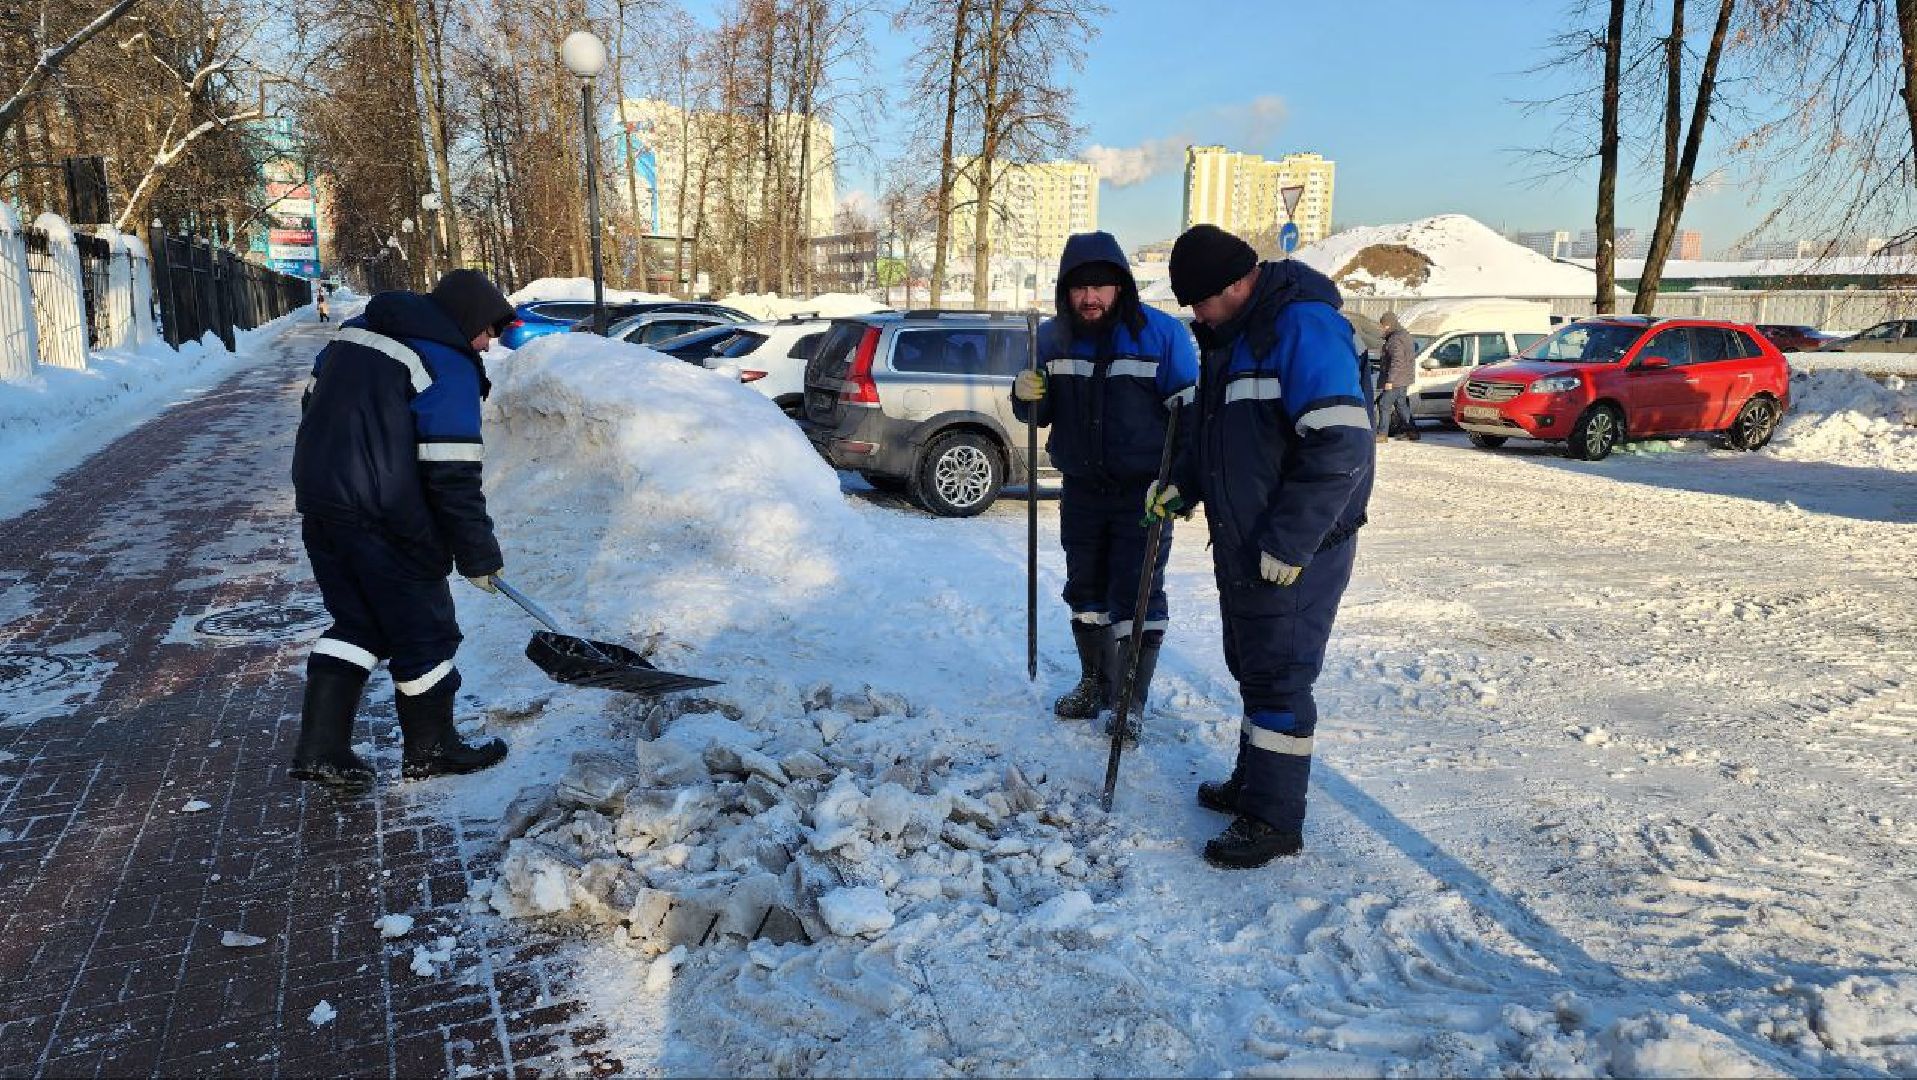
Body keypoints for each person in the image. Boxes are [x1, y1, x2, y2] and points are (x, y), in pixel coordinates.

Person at [1147, 225, 1374, 868]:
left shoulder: (1302, 328)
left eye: (1201, 301)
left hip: (1295, 547)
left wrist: (1291, 540)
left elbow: (1342, 444)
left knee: (1280, 675)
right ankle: (1254, 784)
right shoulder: (1234, 335)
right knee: (1254, 664)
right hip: (1248, 540)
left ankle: (1273, 820)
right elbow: (1216, 436)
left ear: (1238, 283)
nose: (1195, 315)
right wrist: (1180, 486)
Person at [289, 268, 516, 790]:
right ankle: (431, 750)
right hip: (386, 517)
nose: (487, 343)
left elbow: (313, 405)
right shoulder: (446, 364)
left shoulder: (355, 336)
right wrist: (477, 553)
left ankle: (321, 749)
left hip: (322, 506)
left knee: (358, 624)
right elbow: (451, 474)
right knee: (426, 632)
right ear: (465, 319)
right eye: (487, 330)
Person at [1012, 231, 1198, 743]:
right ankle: (1095, 683)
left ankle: (1128, 702)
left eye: (1101, 287)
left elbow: (1189, 419)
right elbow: (1038, 411)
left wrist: (1179, 481)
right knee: (1086, 593)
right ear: (1064, 292)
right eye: (1078, 288)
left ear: (1122, 287)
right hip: (1082, 488)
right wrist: (1022, 394)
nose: (1089, 298)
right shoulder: (1050, 339)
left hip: (1143, 491)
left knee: (1135, 595)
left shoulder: (1161, 336)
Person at [1375, 310, 1418, 442]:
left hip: (1396, 379)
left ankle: (1382, 434)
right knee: (1401, 405)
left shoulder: (1395, 339)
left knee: (1384, 404)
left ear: (1389, 324)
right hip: (1404, 378)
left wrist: (1390, 380)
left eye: (1383, 325)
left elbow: (1397, 360)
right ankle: (1412, 432)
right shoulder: (1404, 335)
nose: (1382, 328)